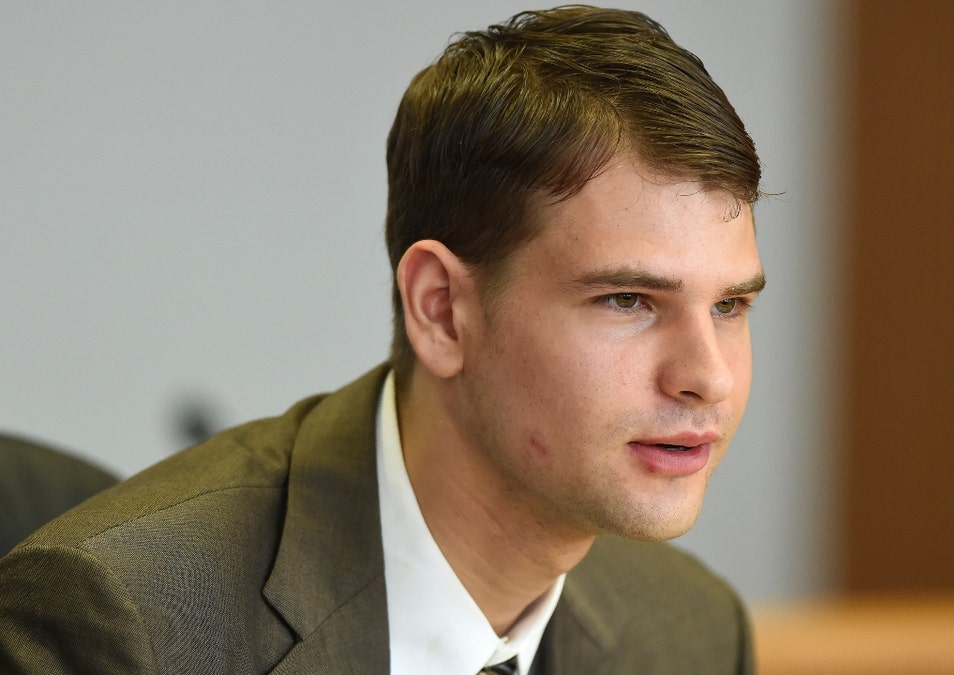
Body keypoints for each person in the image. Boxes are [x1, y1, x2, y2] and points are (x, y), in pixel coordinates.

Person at [0, 5, 764, 673]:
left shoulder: (693, 632)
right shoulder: (123, 629)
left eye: (730, 306)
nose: (709, 377)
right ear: (440, 311)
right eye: (628, 299)